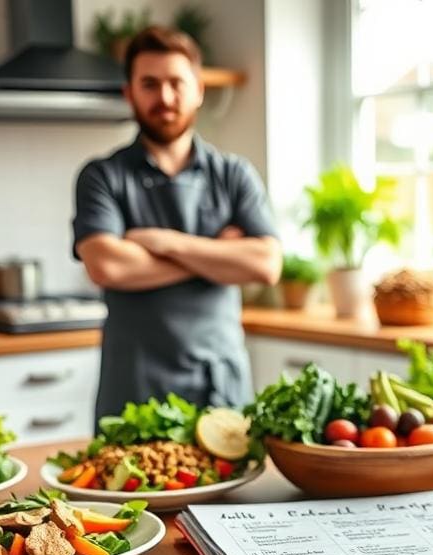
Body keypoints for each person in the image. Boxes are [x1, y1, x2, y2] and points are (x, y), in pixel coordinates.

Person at [72, 26, 281, 426]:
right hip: (133, 391)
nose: (165, 98)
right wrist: (217, 254)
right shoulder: (101, 176)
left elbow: (265, 265)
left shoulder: (234, 174)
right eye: (149, 84)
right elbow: (108, 267)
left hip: (220, 388)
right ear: (129, 93)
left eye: (176, 83)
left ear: (198, 89)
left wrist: (161, 242)